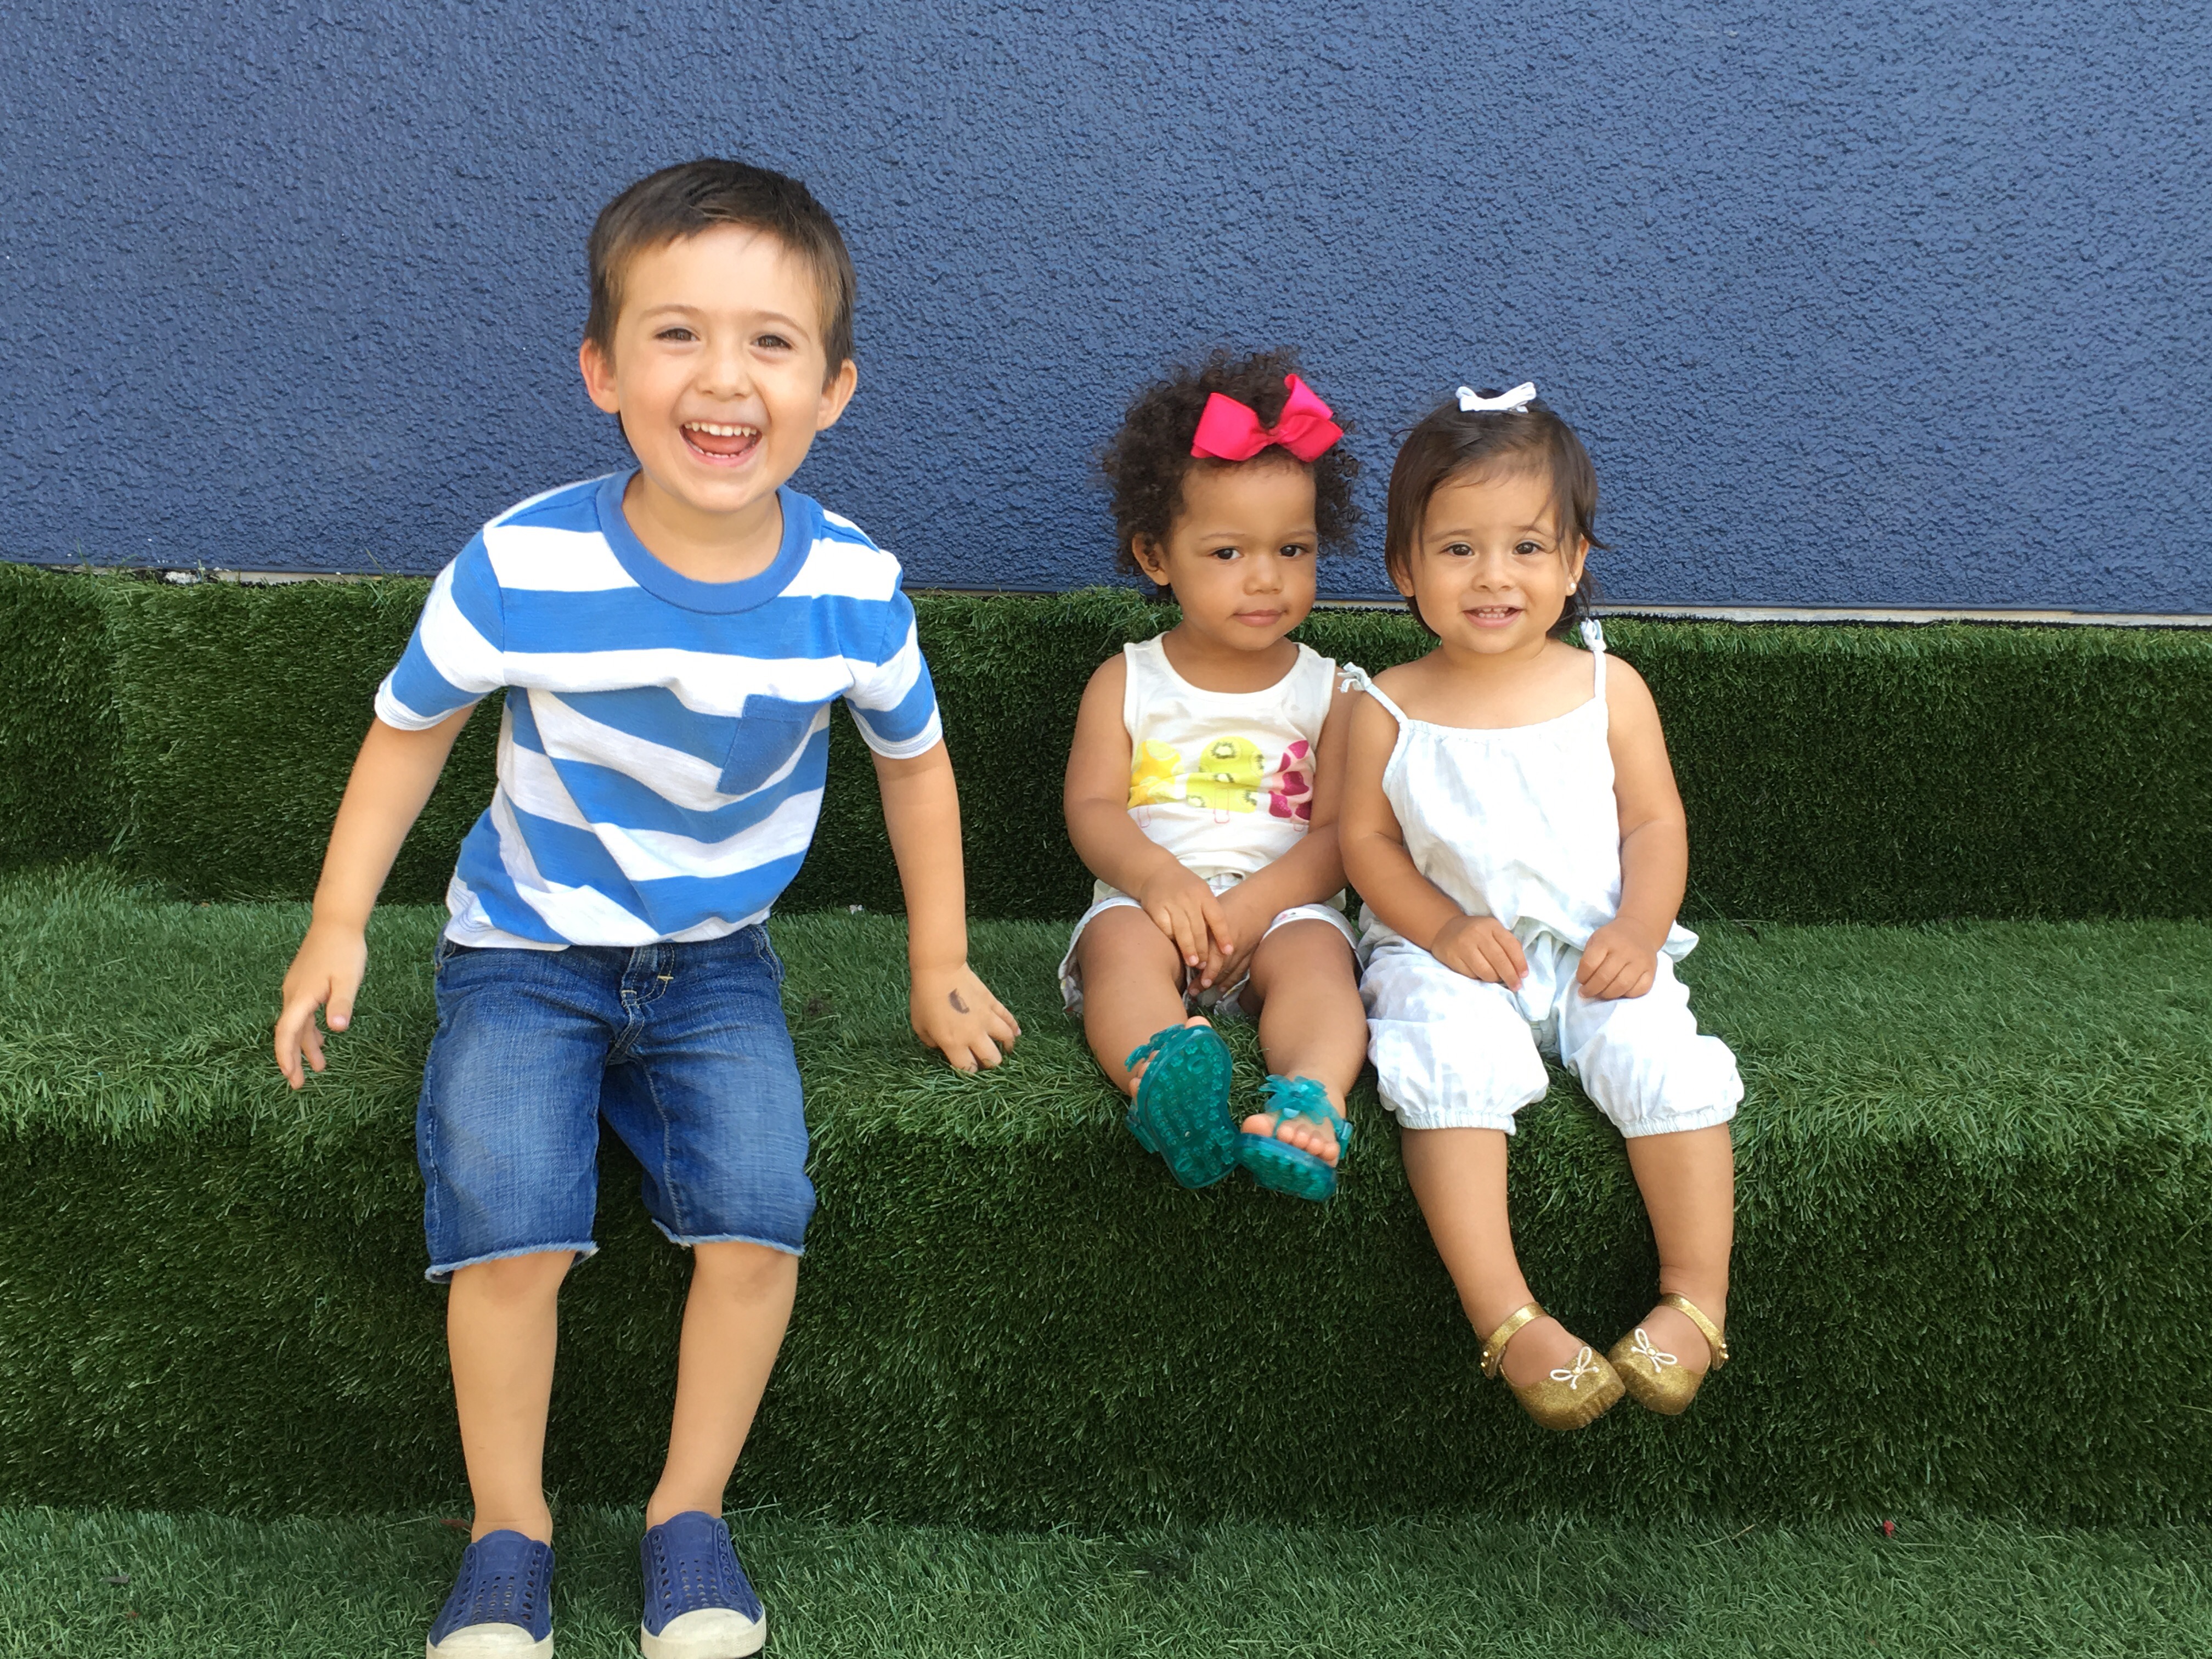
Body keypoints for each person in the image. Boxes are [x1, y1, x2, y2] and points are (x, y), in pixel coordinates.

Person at [272, 158, 1018, 1659]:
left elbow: (917, 764)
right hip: (523, 950)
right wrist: (338, 919)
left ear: (833, 389)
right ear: (603, 371)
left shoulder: (851, 588)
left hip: (716, 960)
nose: (723, 378)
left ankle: (691, 1514)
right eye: (677, 334)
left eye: (771, 342)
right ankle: (507, 1534)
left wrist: (938, 957)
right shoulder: (521, 563)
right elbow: (409, 730)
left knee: (759, 1219)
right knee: (509, 1228)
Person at [1338, 382, 1741, 1431]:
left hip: (1594, 942)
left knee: (1662, 1056)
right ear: (1405, 570)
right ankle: (1510, 1320)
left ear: (1573, 563)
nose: (1494, 575)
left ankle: (1695, 1300)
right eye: (1457, 549)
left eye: (1527, 546)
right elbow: (1365, 846)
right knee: (1446, 1064)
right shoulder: (1386, 705)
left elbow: (1654, 824)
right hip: (1447, 950)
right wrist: (1438, 927)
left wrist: (1639, 930)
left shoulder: (1610, 688)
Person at [1060, 349, 1369, 1203]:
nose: (1265, 577)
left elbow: (1340, 837)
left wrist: (1256, 904)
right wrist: (1157, 879)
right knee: (1118, 949)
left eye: (1292, 549)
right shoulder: (1128, 679)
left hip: (1282, 908)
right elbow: (1092, 807)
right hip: (1154, 905)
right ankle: (1164, 1076)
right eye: (1228, 551)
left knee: (1319, 964)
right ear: (1156, 555)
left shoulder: (1333, 691)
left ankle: (1311, 1098)